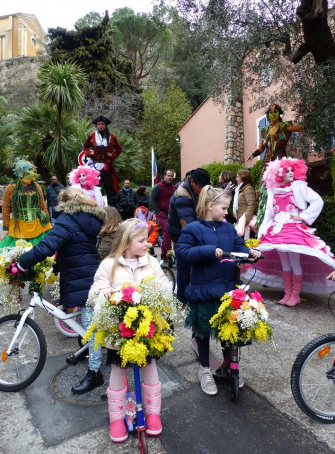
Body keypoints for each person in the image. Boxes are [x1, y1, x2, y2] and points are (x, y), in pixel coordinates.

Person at [88, 218, 171, 443]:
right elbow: (96, 288)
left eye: (148, 240)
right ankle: (116, 417)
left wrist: (158, 290)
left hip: (146, 327)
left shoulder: (151, 262)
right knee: (118, 369)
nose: (147, 244)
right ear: (126, 242)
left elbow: (165, 285)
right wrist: (105, 294)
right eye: (142, 240)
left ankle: (153, 413)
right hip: (119, 329)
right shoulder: (109, 264)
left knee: (149, 366)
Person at [18, 188, 107, 393]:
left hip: (82, 279)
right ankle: (86, 353)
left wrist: (22, 264)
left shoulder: (68, 220)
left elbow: (47, 246)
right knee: (87, 325)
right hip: (86, 274)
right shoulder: (87, 219)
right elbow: (76, 247)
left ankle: (95, 374)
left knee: (90, 328)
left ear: (64, 203)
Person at [175, 186, 260, 395]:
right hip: (203, 290)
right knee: (203, 331)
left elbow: (239, 246)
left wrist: (250, 252)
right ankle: (204, 368)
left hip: (227, 290)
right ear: (210, 206)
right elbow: (183, 253)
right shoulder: (192, 229)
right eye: (223, 208)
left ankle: (228, 365)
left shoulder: (229, 229)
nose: (226, 212)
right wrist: (208, 251)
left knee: (228, 331)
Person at [246, 158, 335, 306]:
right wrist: (262, 231)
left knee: (294, 261)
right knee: (284, 263)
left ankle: (295, 295)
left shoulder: (299, 186)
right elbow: (269, 213)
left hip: (293, 228)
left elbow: (318, 201)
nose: (290, 173)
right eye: (286, 171)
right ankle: (288, 294)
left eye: (292, 170)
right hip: (277, 229)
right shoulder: (273, 190)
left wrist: (303, 217)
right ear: (278, 173)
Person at [168, 168, 211, 306]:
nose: (203, 190)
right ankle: (182, 298)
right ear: (192, 182)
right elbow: (189, 224)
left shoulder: (194, 190)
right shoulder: (182, 196)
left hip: (185, 230)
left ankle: (189, 294)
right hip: (181, 234)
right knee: (184, 265)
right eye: (201, 187)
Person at [0, 160, 52, 248]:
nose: (36, 174)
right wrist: (5, 228)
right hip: (18, 227)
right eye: (33, 171)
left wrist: (48, 222)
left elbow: (42, 205)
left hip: (38, 226)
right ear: (24, 172)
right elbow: (6, 209)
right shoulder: (11, 188)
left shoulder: (37, 187)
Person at [83, 115, 122, 207]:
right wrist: (89, 153)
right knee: (93, 186)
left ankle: (112, 208)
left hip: (106, 165)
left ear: (105, 125)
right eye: (99, 124)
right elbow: (85, 146)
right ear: (97, 125)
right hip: (94, 166)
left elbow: (119, 149)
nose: (100, 126)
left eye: (102, 124)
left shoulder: (112, 136)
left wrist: (112, 155)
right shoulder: (92, 135)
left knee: (110, 187)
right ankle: (92, 205)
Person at [150, 170, 176, 265]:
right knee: (167, 229)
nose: (170, 177)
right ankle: (169, 251)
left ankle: (163, 256)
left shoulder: (174, 188)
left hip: (172, 214)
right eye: (168, 175)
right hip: (162, 214)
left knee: (167, 233)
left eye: (171, 176)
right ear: (164, 176)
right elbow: (152, 200)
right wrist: (158, 212)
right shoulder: (158, 187)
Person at [233, 169, 257, 239]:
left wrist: (247, 220)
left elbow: (251, 204)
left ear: (243, 178)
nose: (236, 179)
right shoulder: (240, 189)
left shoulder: (248, 189)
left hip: (246, 223)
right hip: (241, 222)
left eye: (238, 177)